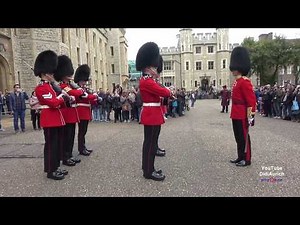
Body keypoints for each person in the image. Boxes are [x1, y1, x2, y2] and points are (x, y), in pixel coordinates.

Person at [136, 42, 172, 181]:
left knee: (150, 143)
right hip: (151, 114)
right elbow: (164, 92)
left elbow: (160, 95)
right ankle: (148, 171)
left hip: (153, 113)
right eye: (154, 67)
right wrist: (168, 91)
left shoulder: (150, 80)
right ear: (148, 67)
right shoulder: (147, 81)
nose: (155, 69)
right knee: (150, 144)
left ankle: (149, 168)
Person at [34, 50, 68, 180]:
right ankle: (50, 170)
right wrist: (62, 96)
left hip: (56, 119)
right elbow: (53, 103)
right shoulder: (41, 88)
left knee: (57, 145)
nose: (53, 75)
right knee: (50, 146)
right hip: (49, 119)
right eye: (51, 73)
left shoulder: (50, 86)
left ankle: (56, 166)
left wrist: (63, 98)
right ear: (44, 73)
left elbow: (57, 102)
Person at [54, 55, 85, 166]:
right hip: (66, 114)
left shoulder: (69, 85)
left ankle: (70, 154)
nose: (70, 75)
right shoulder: (62, 86)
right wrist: (79, 90)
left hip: (71, 114)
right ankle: (65, 157)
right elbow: (75, 94)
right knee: (66, 137)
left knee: (71, 136)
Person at [229, 46, 256, 167]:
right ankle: (240, 156)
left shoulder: (245, 82)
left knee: (244, 137)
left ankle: (247, 158)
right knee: (238, 137)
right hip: (235, 112)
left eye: (235, 68)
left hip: (242, 113)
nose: (233, 70)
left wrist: (251, 116)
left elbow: (251, 100)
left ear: (239, 67)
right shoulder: (237, 81)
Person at [74, 64, 98, 156]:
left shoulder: (84, 89)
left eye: (85, 80)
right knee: (82, 131)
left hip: (86, 111)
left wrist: (94, 98)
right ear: (79, 81)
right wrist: (93, 96)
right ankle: (81, 148)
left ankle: (83, 147)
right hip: (81, 111)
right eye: (83, 81)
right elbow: (85, 97)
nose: (84, 82)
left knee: (84, 131)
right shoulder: (78, 89)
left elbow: (89, 99)